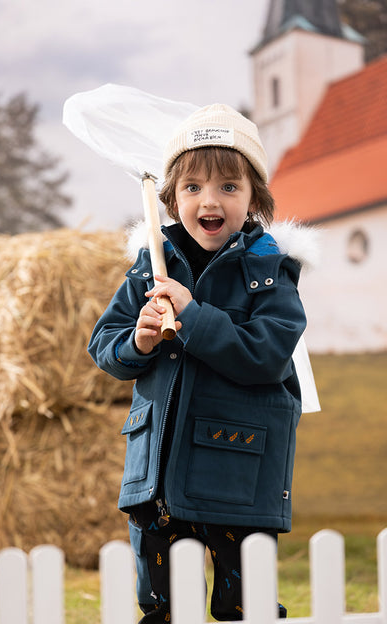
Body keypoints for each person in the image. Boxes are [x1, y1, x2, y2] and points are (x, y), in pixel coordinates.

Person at [88, 104, 309, 622]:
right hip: (156, 475)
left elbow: (269, 354)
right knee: (163, 607)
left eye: (229, 188)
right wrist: (137, 344)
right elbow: (105, 343)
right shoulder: (152, 263)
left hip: (237, 467)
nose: (210, 200)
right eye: (192, 188)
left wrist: (195, 314)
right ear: (169, 199)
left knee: (244, 605)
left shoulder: (269, 271)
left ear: (255, 198)